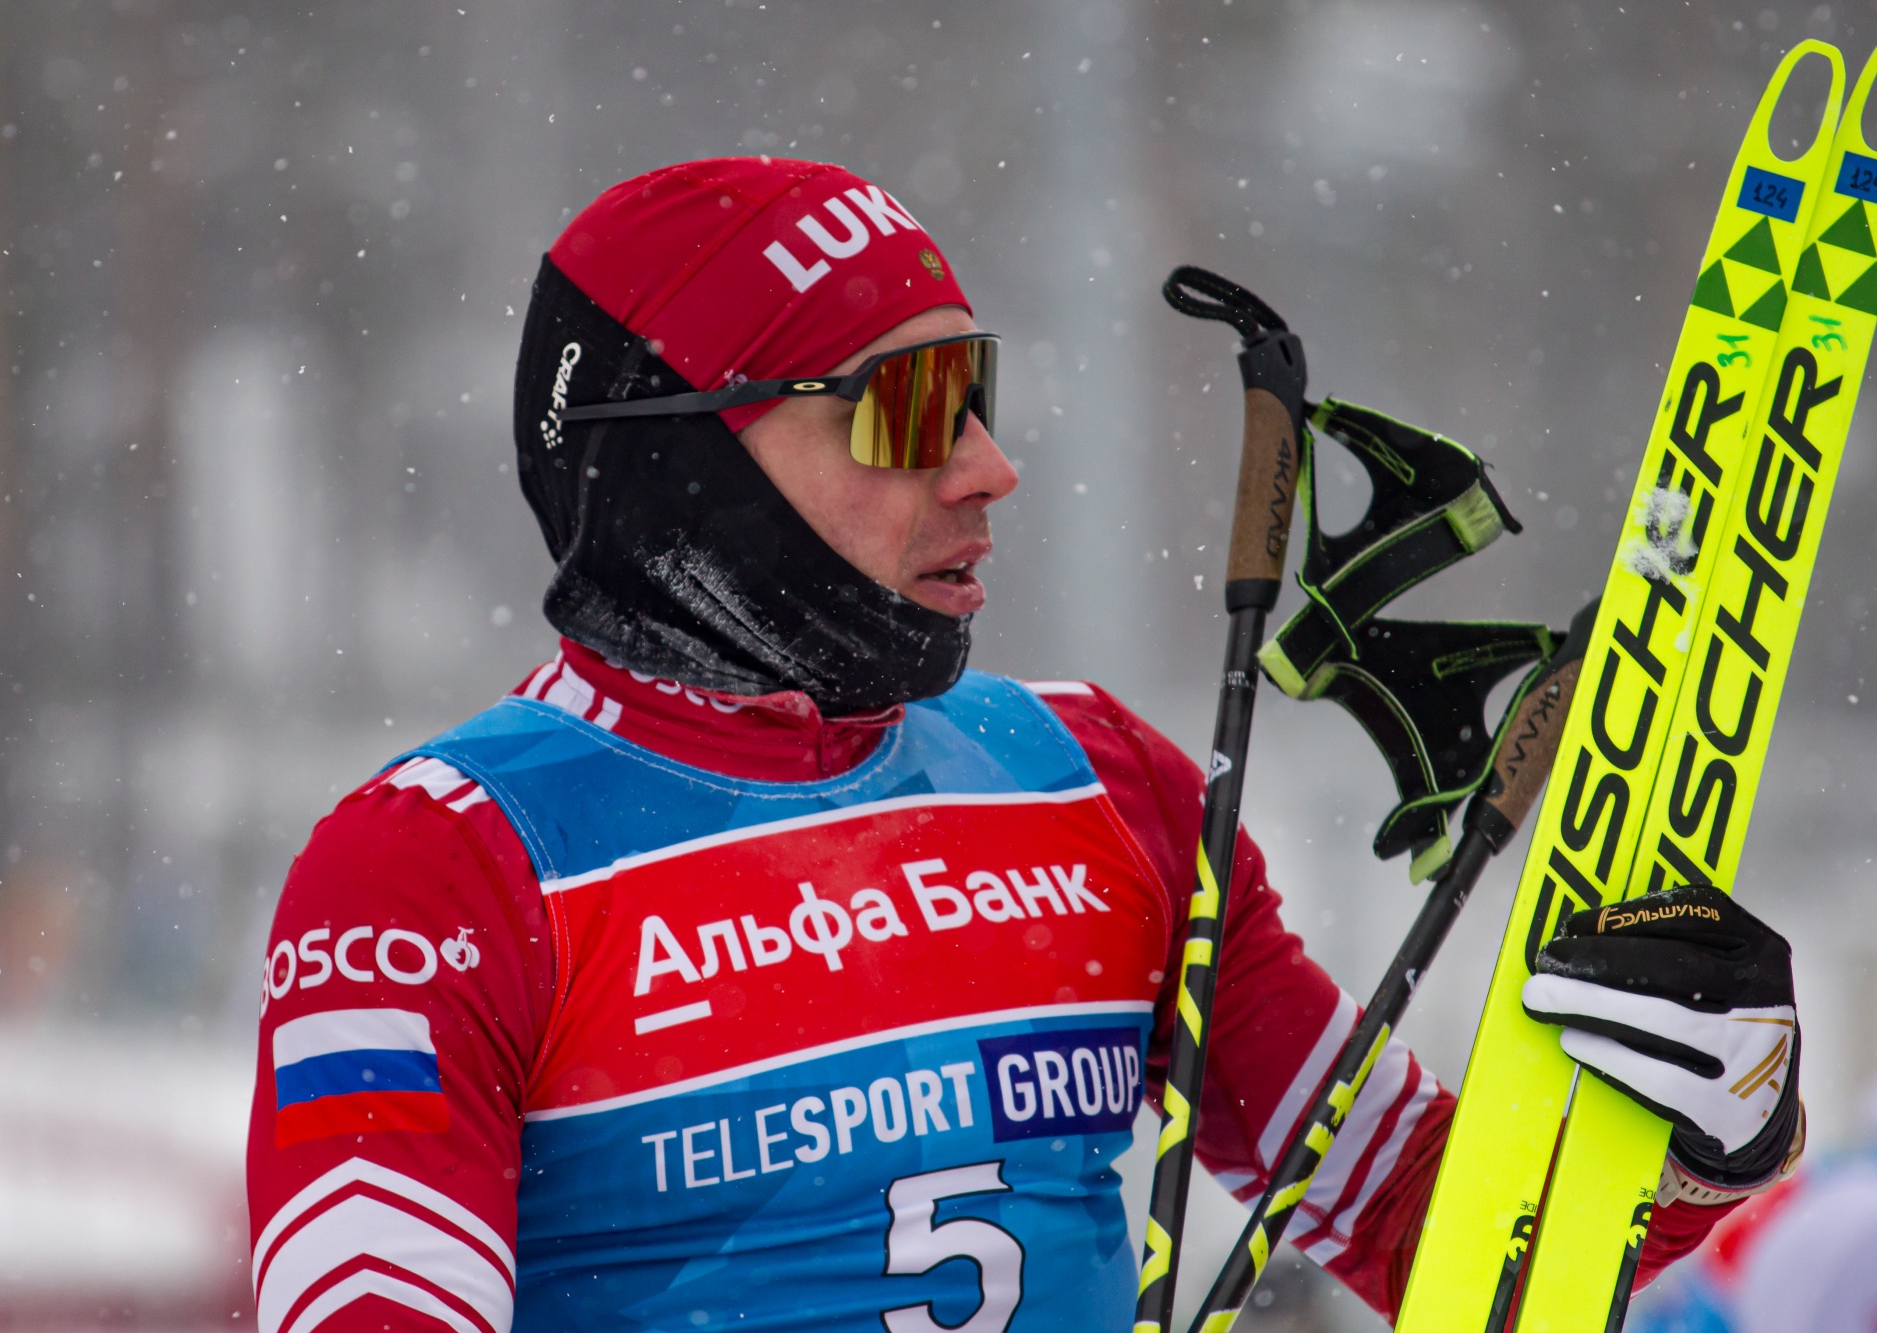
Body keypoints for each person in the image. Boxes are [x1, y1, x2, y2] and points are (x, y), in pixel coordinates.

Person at [243, 157, 1805, 1333]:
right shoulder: (439, 862)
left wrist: (1703, 1155)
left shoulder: (1096, 784)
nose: (991, 464)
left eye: (976, 391)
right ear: (678, 452)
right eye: (908, 402)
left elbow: (1456, 1253)